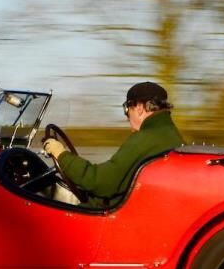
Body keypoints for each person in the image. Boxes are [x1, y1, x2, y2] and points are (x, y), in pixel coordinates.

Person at [42, 81, 185, 204]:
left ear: (139, 108)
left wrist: (61, 154)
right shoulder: (171, 135)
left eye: (127, 109)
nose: (126, 116)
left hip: (110, 219)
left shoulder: (145, 139)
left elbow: (99, 182)